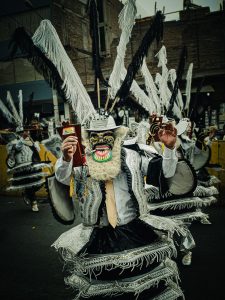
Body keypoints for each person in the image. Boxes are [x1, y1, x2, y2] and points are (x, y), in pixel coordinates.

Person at [52, 115, 186, 300]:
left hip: (136, 231)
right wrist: (66, 159)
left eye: (106, 135)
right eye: (94, 136)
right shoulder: (80, 161)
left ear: (117, 136)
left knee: (141, 286)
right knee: (106, 290)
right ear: (87, 138)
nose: (100, 141)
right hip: (98, 235)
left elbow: (165, 173)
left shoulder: (134, 156)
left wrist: (170, 148)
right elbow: (62, 179)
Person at [6, 127, 51, 212]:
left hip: (33, 165)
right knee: (30, 185)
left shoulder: (30, 140)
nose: (26, 133)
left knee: (39, 183)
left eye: (26, 131)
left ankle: (26, 193)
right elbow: (17, 147)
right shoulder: (15, 142)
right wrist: (23, 138)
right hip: (22, 167)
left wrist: (35, 144)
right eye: (23, 132)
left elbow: (37, 150)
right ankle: (34, 203)